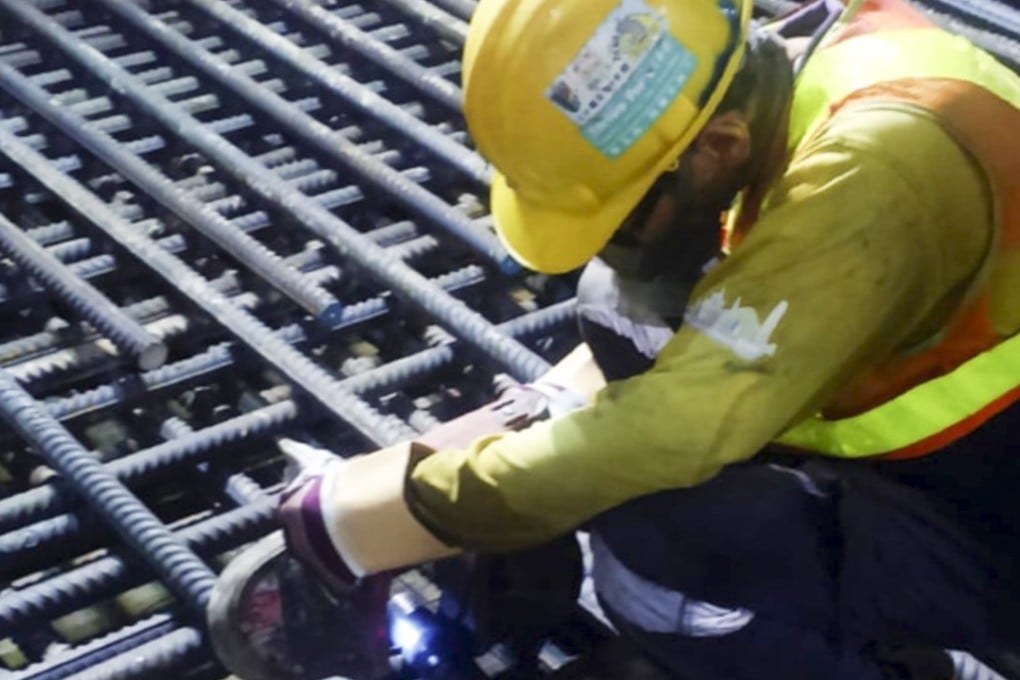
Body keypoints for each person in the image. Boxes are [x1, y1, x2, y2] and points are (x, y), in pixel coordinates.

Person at [209, 0, 1020, 678]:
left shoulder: (873, 166)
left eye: (622, 218)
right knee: (616, 304)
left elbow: (673, 431)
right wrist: (525, 433)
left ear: (722, 145)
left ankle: (939, 664)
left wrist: (402, 515)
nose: (613, 242)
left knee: (656, 546)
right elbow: (651, 330)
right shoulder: (785, 86)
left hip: (993, 517)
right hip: (936, 453)